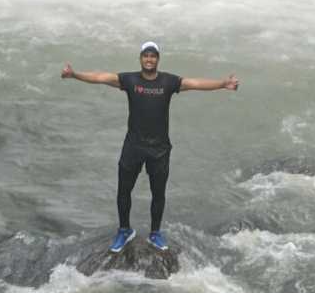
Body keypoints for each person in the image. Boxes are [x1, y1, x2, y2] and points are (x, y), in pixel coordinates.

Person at [61, 41, 239, 253]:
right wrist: (75, 75)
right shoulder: (129, 79)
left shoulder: (169, 82)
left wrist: (222, 84)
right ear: (140, 58)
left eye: (153, 56)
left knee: (158, 194)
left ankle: (155, 233)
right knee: (123, 191)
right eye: (145, 55)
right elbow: (101, 78)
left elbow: (195, 83)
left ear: (158, 59)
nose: (149, 59)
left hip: (160, 149)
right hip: (133, 146)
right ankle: (125, 230)